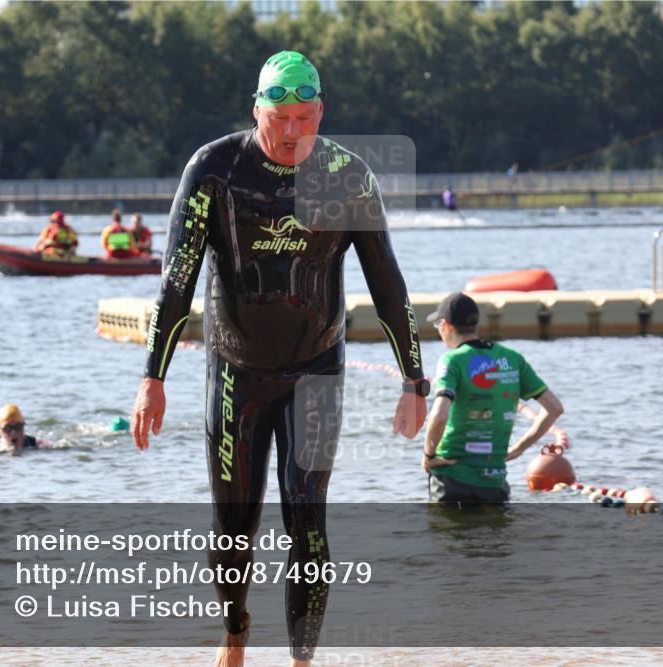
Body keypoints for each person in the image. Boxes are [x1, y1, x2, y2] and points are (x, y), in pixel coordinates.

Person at [131, 50, 428, 667]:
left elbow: (388, 283)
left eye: (304, 117)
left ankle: (301, 660)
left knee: (308, 521)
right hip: (236, 372)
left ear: (320, 110)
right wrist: (151, 378)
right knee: (234, 527)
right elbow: (176, 282)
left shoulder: (349, 176)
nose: (292, 133)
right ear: (256, 110)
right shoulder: (214, 170)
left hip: (316, 370)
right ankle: (236, 633)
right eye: (279, 117)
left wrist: (414, 379)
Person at [422, 292, 564, 504]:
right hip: (494, 481)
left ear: (447, 325)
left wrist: (429, 455)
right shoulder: (512, 358)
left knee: (447, 535)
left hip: (451, 477)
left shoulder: (452, 360)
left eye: (438, 325)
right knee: (495, 536)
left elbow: (440, 415)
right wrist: (519, 448)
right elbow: (554, 408)